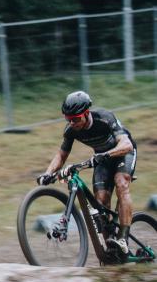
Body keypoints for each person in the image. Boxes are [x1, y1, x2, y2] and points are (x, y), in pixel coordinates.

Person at [39, 91, 136, 254]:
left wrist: (104, 155)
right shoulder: (71, 130)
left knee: (121, 183)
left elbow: (127, 145)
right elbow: (61, 155)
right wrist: (47, 173)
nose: (72, 123)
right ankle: (111, 251)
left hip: (123, 153)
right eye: (68, 119)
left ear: (86, 113)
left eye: (76, 119)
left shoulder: (104, 118)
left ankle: (123, 239)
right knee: (100, 203)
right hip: (102, 160)